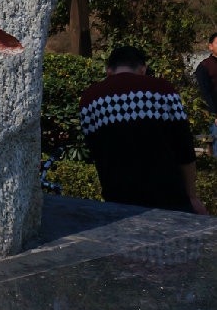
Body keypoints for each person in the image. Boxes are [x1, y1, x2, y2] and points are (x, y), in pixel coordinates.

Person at [79, 45, 208, 214]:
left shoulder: (90, 98)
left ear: (108, 70)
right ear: (143, 69)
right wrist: (192, 196)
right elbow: (184, 148)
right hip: (169, 196)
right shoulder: (163, 90)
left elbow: (94, 149)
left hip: (118, 198)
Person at [194, 32, 217, 158]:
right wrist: (214, 115)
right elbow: (205, 93)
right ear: (210, 46)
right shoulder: (204, 66)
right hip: (213, 114)